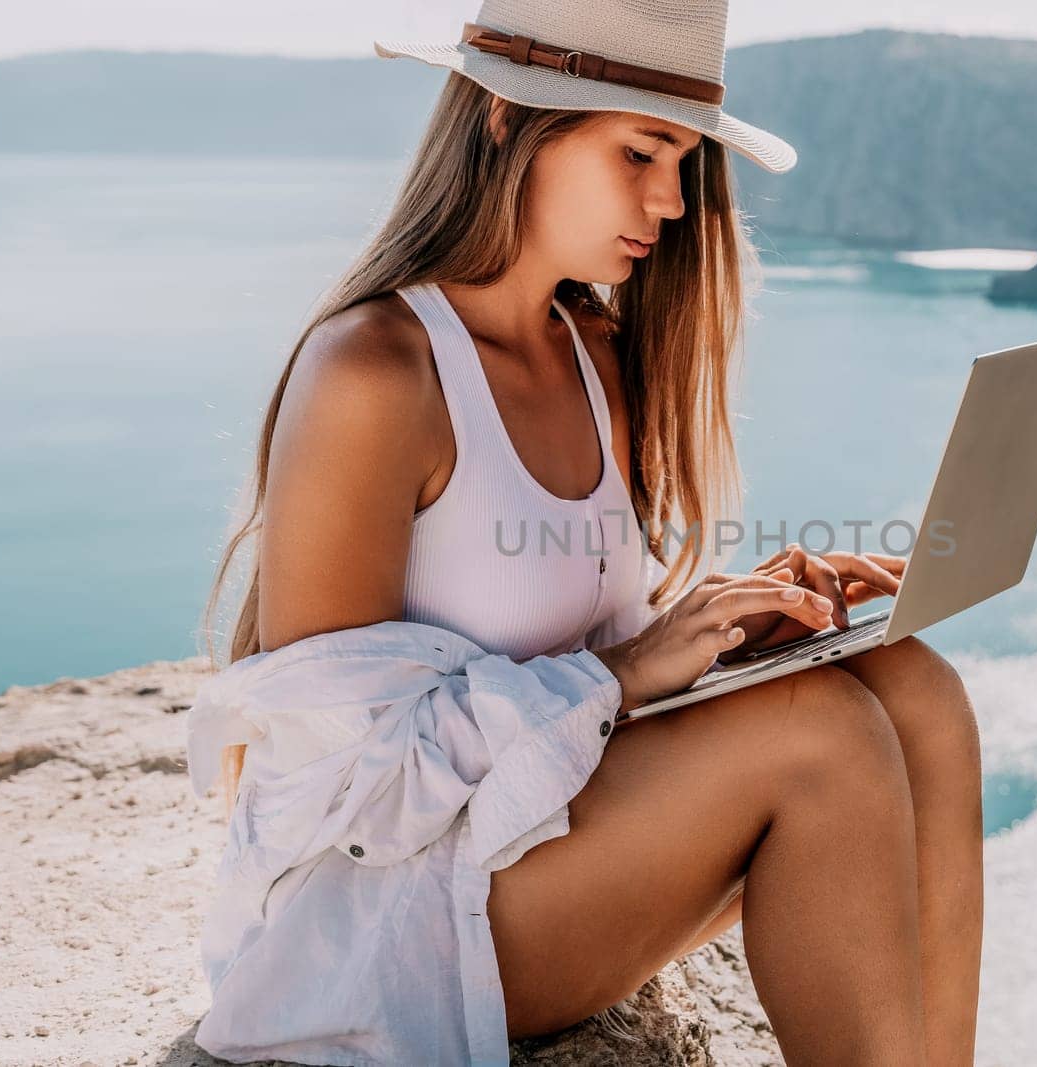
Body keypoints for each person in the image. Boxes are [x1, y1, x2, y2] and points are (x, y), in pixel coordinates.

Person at [193, 3, 983, 1063]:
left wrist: (734, 632)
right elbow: (343, 785)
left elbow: (578, 648)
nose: (669, 200)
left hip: (544, 846)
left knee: (912, 687)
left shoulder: (593, 347)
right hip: (395, 916)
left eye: (684, 161)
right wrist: (626, 670)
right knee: (821, 733)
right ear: (503, 119)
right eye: (639, 152)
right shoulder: (378, 371)